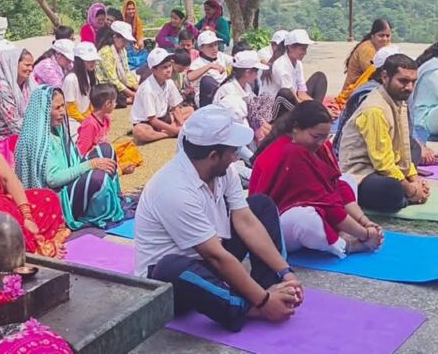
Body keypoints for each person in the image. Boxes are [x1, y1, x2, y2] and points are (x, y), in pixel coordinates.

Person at [135, 106, 303, 332]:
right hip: (179, 281)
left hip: (210, 256)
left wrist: (286, 273)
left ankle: (273, 287)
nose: (236, 156)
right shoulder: (172, 189)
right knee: (169, 268)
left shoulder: (223, 171)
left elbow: (246, 221)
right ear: (213, 156)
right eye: (233, 151)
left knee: (261, 206)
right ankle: (246, 307)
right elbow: (215, 255)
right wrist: (263, 302)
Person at [251, 102, 384, 258]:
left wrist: (364, 221)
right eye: (316, 137)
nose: (321, 142)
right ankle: (345, 245)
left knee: (347, 180)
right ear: (296, 128)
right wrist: (365, 234)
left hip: (316, 207)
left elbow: (336, 186)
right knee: (304, 220)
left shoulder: (319, 146)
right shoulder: (292, 152)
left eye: (324, 137)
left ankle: (340, 233)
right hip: (273, 228)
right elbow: (326, 203)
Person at [14, 86, 125, 230]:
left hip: (69, 183)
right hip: (58, 198)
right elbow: (53, 179)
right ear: (43, 111)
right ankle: (97, 210)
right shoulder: (37, 140)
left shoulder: (58, 129)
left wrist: (92, 163)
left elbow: (74, 161)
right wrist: (90, 164)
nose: (62, 112)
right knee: (98, 177)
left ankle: (114, 199)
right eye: (57, 108)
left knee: (105, 149)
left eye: (63, 106)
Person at [339, 54, 430, 213]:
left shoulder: (398, 100)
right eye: (403, 81)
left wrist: (415, 178)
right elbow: (382, 163)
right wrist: (412, 190)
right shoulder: (375, 109)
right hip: (362, 173)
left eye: (413, 82)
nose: (409, 87)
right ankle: (405, 197)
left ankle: (405, 193)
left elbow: (403, 146)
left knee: (414, 147)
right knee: (392, 189)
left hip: (384, 166)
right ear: (385, 77)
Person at [0, 132, 69, 258]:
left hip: (0, 201)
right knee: (0, 213)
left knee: (47, 198)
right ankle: (35, 249)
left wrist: (27, 216)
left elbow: (8, 178)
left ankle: (33, 240)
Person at [132, 48, 194, 143]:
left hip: (164, 118)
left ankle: (168, 131)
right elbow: (152, 120)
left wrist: (182, 124)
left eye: (169, 66)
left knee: (190, 110)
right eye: (164, 67)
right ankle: (168, 134)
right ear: (153, 70)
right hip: (147, 123)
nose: (169, 70)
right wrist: (175, 130)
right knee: (139, 131)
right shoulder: (147, 89)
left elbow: (175, 107)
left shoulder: (169, 83)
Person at [0, 48, 35, 163]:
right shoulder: (2, 89)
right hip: (2, 139)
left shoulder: (27, 86)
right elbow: (15, 125)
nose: (31, 69)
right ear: (13, 65)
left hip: (24, 134)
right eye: (27, 65)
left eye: (32, 65)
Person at [260, 29, 327, 107]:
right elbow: (292, 97)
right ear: (290, 47)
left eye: (306, 49)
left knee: (319, 77)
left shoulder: (298, 64)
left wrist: (319, 106)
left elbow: (302, 94)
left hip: (293, 98)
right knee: (286, 93)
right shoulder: (281, 65)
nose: (305, 53)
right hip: (276, 105)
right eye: (302, 49)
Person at [214, 50, 268, 129]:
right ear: (247, 72)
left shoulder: (247, 86)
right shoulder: (229, 91)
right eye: (256, 71)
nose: (257, 75)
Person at [63, 42, 101, 137]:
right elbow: (70, 109)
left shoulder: (88, 75)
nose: (92, 63)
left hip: (83, 117)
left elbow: (88, 102)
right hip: (73, 121)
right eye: (88, 60)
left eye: (93, 60)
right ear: (79, 61)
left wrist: (92, 117)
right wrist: (86, 121)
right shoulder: (71, 79)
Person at [342, 19, 393, 92]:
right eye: (381, 35)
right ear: (373, 36)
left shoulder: (386, 47)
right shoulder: (366, 49)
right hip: (354, 92)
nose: (385, 39)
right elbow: (375, 75)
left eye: (388, 36)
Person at [96, 22, 139, 107]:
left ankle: (127, 98)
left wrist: (138, 88)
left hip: (119, 83)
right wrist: (134, 94)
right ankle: (126, 100)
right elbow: (113, 80)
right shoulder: (106, 52)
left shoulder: (122, 51)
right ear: (115, 37)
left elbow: (127, 72)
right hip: (105, 85)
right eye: (123, 40)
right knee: (110, 92)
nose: (125, 43)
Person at [187, 31, 232, 107]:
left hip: (225, 95)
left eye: (216, 45)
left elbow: (236, 61)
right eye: (210, 46)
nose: (214, 48)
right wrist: (209, 66)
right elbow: (190, 77)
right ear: (201, 48)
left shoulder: (221, 56)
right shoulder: (197, 63)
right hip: (207, 100)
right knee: (207, 81)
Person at [77, 84, 116, 156]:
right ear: (107, 104)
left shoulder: (106, 119)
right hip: (92, 158)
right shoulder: (89, 124)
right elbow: (81, 151)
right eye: (114, 102)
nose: (115, 104)